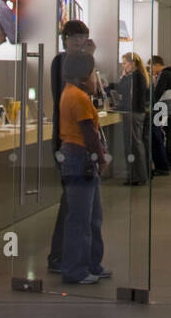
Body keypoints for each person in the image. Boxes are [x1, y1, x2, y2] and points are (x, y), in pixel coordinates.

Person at [56, 52, 111, 285]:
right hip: (80, 158)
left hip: (77, 157)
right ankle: (75, 269)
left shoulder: (71, 93)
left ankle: (90, 264)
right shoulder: (78, 97)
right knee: (81, 218)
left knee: (91, 217)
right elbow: (89, 134)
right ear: (84, 75)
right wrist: (101, 159)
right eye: (93, 72)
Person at [48, 21, 95, 273]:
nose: (79, 42)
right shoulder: (62, 62)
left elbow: (92, 89)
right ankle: (59, 257)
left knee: (78, 205)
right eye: (75, 38)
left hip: (75, 140)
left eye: (83, 38)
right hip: (67, 140)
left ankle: (68, 257)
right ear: (65, 38)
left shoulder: (80, 62)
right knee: (72, 204)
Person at [115, 52, 149, 185]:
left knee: (134, 145)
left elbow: (121, 89)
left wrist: (123, 76)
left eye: (124, 63)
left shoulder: (135, 77)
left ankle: (137, 177)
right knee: (135, 144)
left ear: (132, 63)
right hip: (136, 112)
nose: (123, 66)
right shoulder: (139, 76)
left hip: (133, 113)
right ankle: (137, 176)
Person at [150, 55, 171, 171]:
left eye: (151, 67)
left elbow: (157, 92)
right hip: (170, 110)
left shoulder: (164, 75)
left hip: (166, 111)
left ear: (157, 65)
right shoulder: (169, 74)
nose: (150, 70)